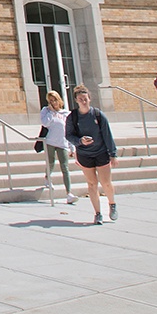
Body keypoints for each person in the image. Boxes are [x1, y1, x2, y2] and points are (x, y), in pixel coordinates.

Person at [64, 85, 117, 224]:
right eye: (80, 99)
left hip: (101, 152)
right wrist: (79, 141)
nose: (83, 101)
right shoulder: (73, 117)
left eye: (85, 99)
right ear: (76, 100)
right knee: (92, 184)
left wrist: (113, 154)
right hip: (84, 154)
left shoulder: (98, 115)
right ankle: (98, 213)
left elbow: (107, 135)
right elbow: (68, 135)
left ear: (89, 99)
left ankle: (112, 204)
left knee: (106, 182)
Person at [38, 89, 78, 204]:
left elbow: (69, 131)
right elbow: (45, 123)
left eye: (54, 100)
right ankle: (47, 177)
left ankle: (69, 193)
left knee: (65, 168)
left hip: (63, 143)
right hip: (50, 141)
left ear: (58, 100)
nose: (53, 103)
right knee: (51, 162)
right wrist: (51, 112)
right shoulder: (46, 111)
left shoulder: (66, 113)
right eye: (50, 101)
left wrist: (72, 147)